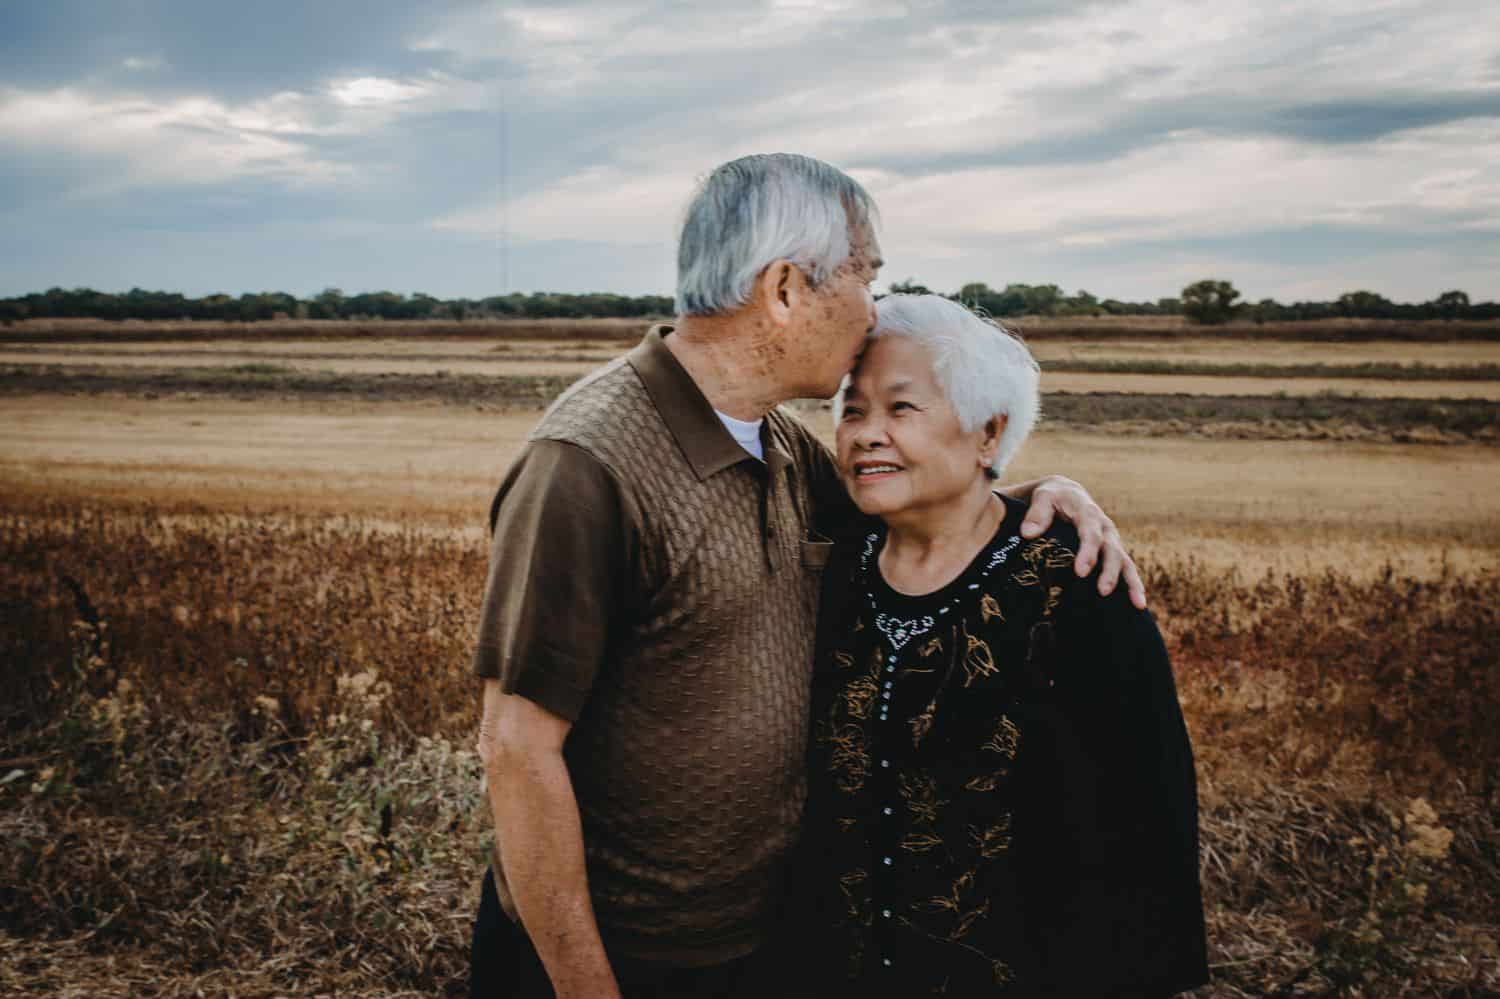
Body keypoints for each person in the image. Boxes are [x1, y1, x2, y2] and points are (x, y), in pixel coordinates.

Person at [469, 154, 1145, 999]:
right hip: (617, 962)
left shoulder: (785, 448)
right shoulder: (584, 463)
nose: (872, 307)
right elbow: (516, 749)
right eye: (865, 274)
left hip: (759, 948)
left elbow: (921, 508)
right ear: (787, 289)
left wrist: (1039, 493)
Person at [799, 293, 1208, 996]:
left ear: (988, 434)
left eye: (901, 409)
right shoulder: (830, 570)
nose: (866, 433)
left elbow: (1147, 823)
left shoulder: (1076, 586)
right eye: (852, 409)